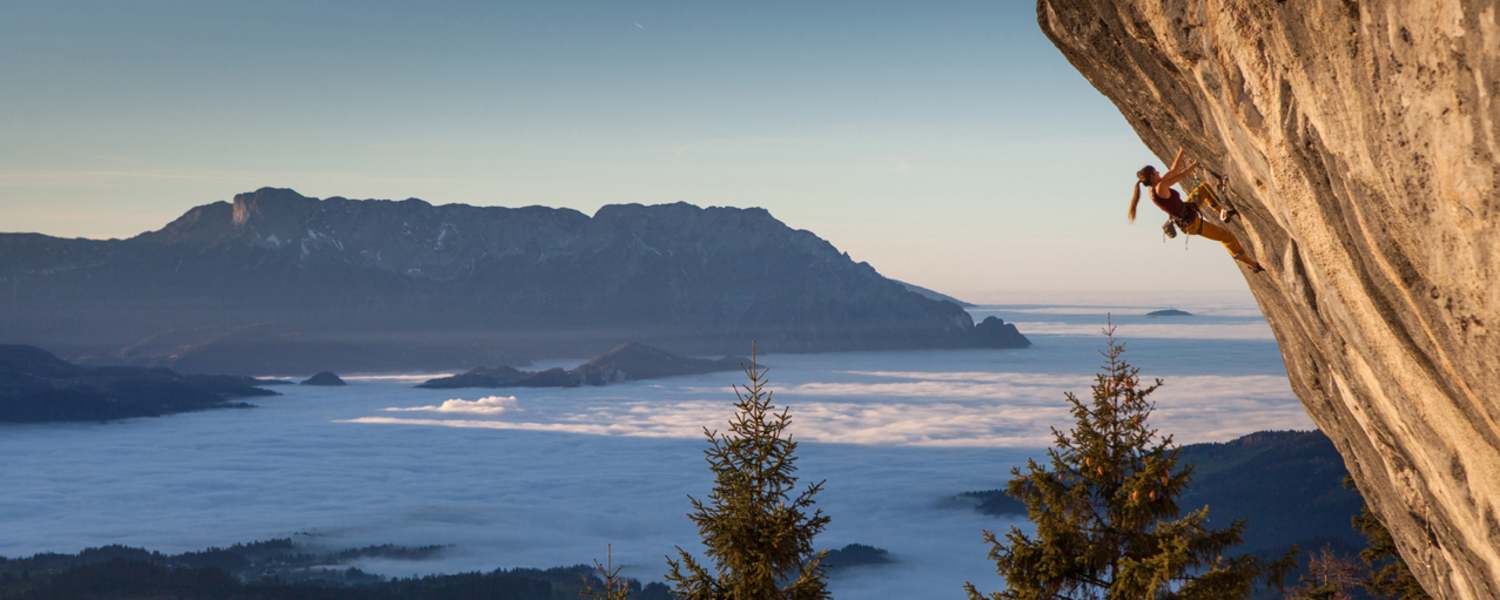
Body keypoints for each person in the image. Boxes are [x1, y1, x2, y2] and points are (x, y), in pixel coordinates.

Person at [1128, 148, 1264, 272]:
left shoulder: (1152, 189)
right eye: (1156, 172)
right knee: (1227, 237)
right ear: (1152, 176)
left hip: (1186, 211)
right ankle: (1251, 263)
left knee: (1203, 188)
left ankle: (1221, 212)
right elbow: (1178, 175)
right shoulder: (1161, 186)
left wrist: (1182, 151)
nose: (1159, 173)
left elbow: (1173, 170)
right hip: (1192, 223)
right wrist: (1192, 164)